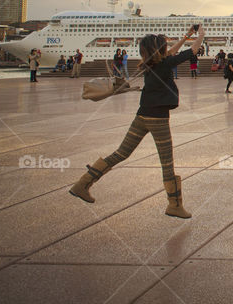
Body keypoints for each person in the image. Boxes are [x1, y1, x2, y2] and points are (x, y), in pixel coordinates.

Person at [69, 25, 205, 219]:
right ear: (160, 50)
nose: (168, 48)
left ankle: (82, 184)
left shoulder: (148, 63)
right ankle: (174, 205)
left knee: (121, 153)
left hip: (141, 117)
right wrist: (200, 36)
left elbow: (172, 51)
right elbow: (191, 51)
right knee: (167, 163)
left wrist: (186, 35)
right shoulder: (164, 64)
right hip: (158, 120)